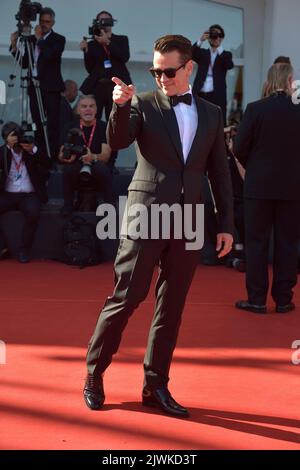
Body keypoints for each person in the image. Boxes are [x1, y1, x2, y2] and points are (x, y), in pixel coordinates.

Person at [83, 35, 234, 417]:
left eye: (168, 71)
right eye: (156, 71)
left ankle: (155, 385)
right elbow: (117, 140)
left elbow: (220, 172)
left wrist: (226, 225)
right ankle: (94, 375)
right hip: (145, 214)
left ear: (189, 69)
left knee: (172, 306)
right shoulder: (142, 103)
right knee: (127, 298)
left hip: (189, 220)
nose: (161, 77)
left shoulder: (212, 113)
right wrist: (119, 107)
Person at [234, 63, 300, 314]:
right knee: (288, 243)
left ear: (269, 81)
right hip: (293, 187)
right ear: (290, 80)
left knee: (256, 243)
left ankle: (257, 299)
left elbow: (239, 147)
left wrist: (256, 164)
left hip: (259, 186)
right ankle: (283, 299)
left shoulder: (255, 109)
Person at [10, 7, 66, 159]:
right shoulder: (31, 39)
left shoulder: (58, 39)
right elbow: (24, 64)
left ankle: (53, 155)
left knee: (52, 123)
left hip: (51, 88)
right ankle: (40, 153)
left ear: (53, 23)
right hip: (34, 87)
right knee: (37, 123)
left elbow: (49, 56)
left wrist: (40, 39)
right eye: (41, 21)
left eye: (47, 22)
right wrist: (15, 46)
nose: (43, 24)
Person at [0, 122, 51, 262]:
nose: (17, 140)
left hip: (29, 194)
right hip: (8, 194)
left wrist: (32, 149)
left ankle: (24, 249)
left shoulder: (30, 150)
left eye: (18, 136)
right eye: (13, 136)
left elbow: (48, 164)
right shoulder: (2, 152)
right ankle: (2, 246)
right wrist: (8, 146)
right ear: (6, 138)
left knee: (33, 212)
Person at [58, 95, 113, 215]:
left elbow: (105, 155)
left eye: (91, 106)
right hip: (76, 162)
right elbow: (61, 155)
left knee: (103, 170)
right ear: (78, 110)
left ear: (96, 109)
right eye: (84, 106)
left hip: (96, 162)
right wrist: (67, 157)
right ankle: (68, 206)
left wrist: (92, 157)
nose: (88, 109)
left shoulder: (104, 127)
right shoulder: (69, 127)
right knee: (67, 170)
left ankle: (110, 207)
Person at [79, 10, 131, 121]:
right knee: (94, 118)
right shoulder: (92, 43)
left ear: (112, 22)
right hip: (99, 85)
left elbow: (124, 57)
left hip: (116, 86)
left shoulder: (121, 39)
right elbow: (90, 68)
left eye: (106, 20)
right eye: (101, 20)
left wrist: (107, 42)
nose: (104, 23)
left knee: (114, 119)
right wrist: (86, 51)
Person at [192, 24, 234, 124]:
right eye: (214, 35)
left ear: (222, 38)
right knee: (197, 120)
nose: (216, 37)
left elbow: (229, 65)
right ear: (209, 37)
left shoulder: (225, 54)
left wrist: (219, 48)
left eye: (219, 35)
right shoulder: (203, 53)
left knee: (216, 121)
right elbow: (191, 54)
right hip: (200, 93)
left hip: (216, 95)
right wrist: (201, 40)